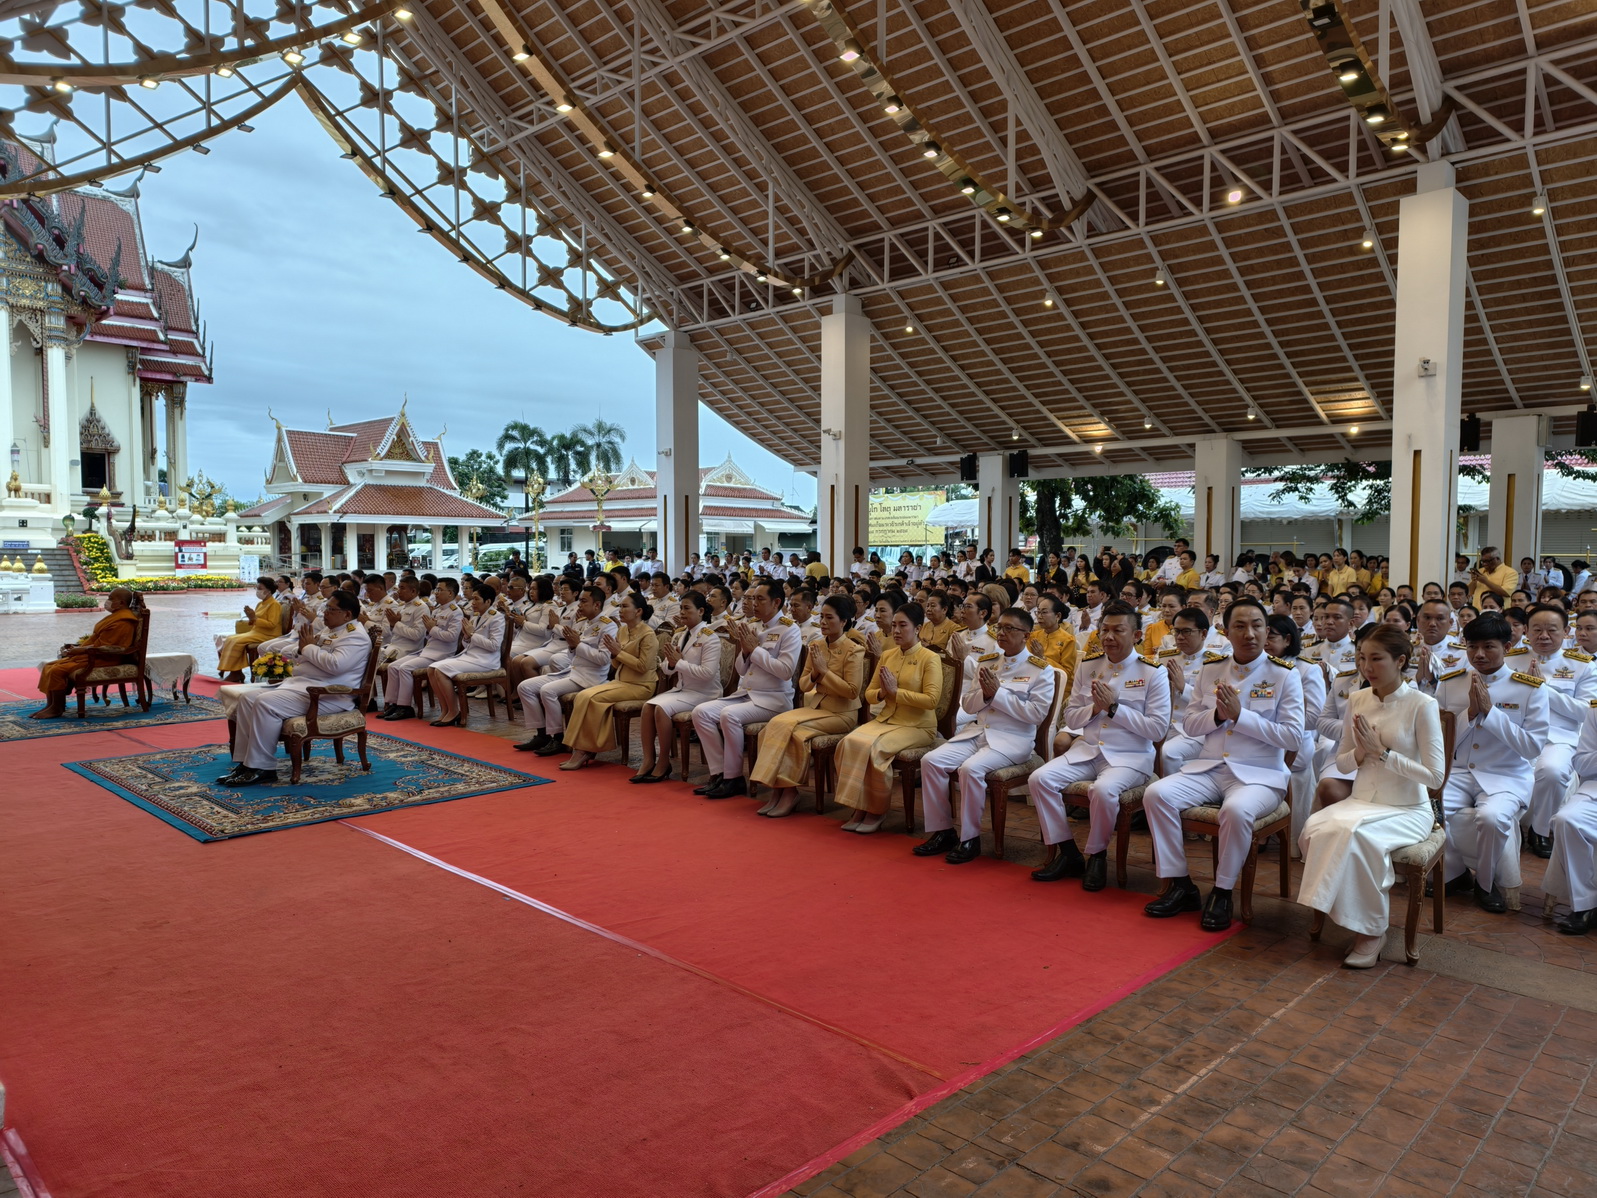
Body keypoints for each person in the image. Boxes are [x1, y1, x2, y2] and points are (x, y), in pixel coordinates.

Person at [1141, 598, 1305, 931]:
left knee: (1236, 811)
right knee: (1156, 795)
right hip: (1211, 767)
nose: (1250, 633)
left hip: (1260, 776)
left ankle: (1222, 890)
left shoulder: (1284, 675)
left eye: (1258, 625)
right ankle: (1181, 884)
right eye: (1240, 626)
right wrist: (1217, 715)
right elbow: (1190, 725)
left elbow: (1292, 738)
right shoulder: (1212, 669)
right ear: (1225, 631)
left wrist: (1240, 717)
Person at [1298, 625, 1446, 966]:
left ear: (1400, 661)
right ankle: (1347, 913)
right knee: (1316, 828)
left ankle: (1371, 932)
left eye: (1376, 659)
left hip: (1408, 807)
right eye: (1362, 658)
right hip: (1362, 801)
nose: (1367, 667)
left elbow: (1435, 777)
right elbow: (1343, 762)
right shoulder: (1357, 699)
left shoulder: (1421, 705)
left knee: (1355, 836)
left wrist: (1384, 754)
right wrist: (1363, 754)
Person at [1029, 602, 1172, 888]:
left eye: (1118, 630)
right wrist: (1095, 709)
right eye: (1104, 629)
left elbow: (1157, 730)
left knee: (1103, 790)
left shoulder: (1153, 672)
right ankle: (1068, 852)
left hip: (1129, 757)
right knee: (1039, 779)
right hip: (1088, 748)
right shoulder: (1090, 666)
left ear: (1136, 635)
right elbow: (1071, 716)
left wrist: (1115, 708)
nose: (1108, 636)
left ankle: (1096, 855)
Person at [913, 608, 1056, 864]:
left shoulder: (1040, 669)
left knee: (970, 769)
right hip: (978, 732)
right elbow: (968, 705)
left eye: (1010, 629)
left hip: (1012, 740)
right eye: (999, 627)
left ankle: (970, 838)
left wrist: (997, 695)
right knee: (931, 761)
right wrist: (987, 695)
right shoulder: (988, 661)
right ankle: (943, 831)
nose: (1001, 633)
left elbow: (1035, 715)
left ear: (1027, 635)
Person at [1435, 613, 1549, 912]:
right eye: (1472, 647)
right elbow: (1440, 739)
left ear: (1508, 647)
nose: (1479, 654)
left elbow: (1532, 747)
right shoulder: (1450, 683)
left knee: (1492, 819)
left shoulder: (1530, 688)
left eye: (1489, 646)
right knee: (1431, 807)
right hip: (1458, 771)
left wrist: (1491, 714)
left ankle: (1486, 884)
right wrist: (1470, 714)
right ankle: (1453, 873)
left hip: (1506, 775)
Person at [221, 591, 373, 786]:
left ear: (347, 614)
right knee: (247, 699)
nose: (325, 613)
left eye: (331, 609)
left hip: (329, 695)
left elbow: (336, 665)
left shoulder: (355, 636)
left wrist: (309, 649)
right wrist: (303, 649)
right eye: (325, 608)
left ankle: (263, 767)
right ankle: (246, 763)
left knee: (265, 703)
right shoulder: (331, 630)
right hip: (303, 687)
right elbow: (299, 652)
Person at [750, 595, 868, 818]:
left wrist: (825, 672)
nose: (823, 622)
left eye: (829, 618)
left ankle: (789, 793)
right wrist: (815, 672)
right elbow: (803, 686)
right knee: (772, 725)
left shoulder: (854, 650)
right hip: (816, 708)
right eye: (821, 617)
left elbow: (852, 691)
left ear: (843, 621)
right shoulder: (816, 646)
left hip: (841, 713)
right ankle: (779, 789)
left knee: (794, 733)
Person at [833, 602, 944, 834]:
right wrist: (884, 692)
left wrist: (896, 693)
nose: (896, 630)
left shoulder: (929, 658)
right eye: (894, 625)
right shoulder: (887, 655)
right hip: (887, 719)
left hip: (918, 725)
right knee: (849, 742)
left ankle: (876, 810)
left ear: (918, 628)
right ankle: (858, 806)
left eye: (903, 625)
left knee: (875, 748)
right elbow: (870, 695)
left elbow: (931, 700)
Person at [691, 581, 803, 799]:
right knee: (700, 712)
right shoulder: (753, 625)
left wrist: (755, 650)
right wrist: (744, 651)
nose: (754, 603)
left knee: (729, 715)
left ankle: (733, 779)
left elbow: (786, 671)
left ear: (777, 602)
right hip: (747, 694)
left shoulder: (789, 629)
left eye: (760, 599)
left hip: (773, 699)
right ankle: (719, 773)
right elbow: (742, 669)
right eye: (752, 599)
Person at [1522, 605, 1595, 857]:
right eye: (1537, 630)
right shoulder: (1511, 659)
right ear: (1526, 631)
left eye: (1551, 630)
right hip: (1516, 733)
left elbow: (1586, 712)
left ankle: (1539, 829)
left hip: (1559, 737)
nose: (1543, 636)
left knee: (1552, 771)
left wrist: (1544, 689)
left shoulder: (1583, 666)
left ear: (1566, 632)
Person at [557, 592, 660, 771]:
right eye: (619, 606)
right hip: (622, 681)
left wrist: (619, 652)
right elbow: (614, 663)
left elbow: (643, 666)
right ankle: (579, 748)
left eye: (625, 606)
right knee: (583, 696)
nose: (620, 610)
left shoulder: (648, 634)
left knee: (594, 698)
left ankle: (586, 749)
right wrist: (615, 654)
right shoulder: (622, 630)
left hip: (640, 685)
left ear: (639, 611)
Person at [634, 591, 722, 784]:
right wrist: (673, 664)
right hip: (683, 690)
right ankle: (649, 759)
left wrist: (679, 663)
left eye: (687, 608)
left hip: (704, 693)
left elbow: (707, 673)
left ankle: (664, 761)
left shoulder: (710, 637)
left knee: (661, 708)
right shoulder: (680, 634)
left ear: (700, 611)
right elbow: (666, 669)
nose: (682, 612)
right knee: (648, 707)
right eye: (681, 608)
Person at [517, 586, 612, 753]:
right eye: (580, 601)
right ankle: (542, 734)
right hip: (573, 671)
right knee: (524, 687)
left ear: (597, 605)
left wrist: (577, 644)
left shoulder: (608, 626)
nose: (580, 605)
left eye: (584, 601)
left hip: (590, 677)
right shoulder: (583, 622)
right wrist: (574, 645)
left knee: (547, 691)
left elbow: (604, 659)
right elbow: (573, 651)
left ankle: (558, 738)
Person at [31, 588, 141, 719]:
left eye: (111, 599)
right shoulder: (117, 616)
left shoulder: (124, 621)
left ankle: (57, 708)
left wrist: (81, 650)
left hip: (106, 658)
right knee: (49, 666)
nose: (107, 602)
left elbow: (110, 647)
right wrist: (77, 648)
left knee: (57, 670)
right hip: (94, 654)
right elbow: (98, 640)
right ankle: (51, 705)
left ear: (121, 603)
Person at [379, 578, 464, 721]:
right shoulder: (437, 610)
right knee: (393, 667)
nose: (435, 593)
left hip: (441, 654)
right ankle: (393, 704)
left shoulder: (456, 612)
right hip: (428, 650)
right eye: (435, 590)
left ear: (450, 593)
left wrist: (432, 628)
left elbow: (451, 637)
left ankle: (405, 707)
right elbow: (426, 634)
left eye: (439, 590)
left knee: (405, 668)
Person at [422, 587, 506, 727]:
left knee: (440, 670)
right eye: (472, 599)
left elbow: (494, 646)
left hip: (485, 660)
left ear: (488, 601)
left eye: (477, 599)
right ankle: (445, 709)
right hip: (470, 656)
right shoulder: (475, 615)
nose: (472, 602)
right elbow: (467, 644)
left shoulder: (496, 617)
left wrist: (472, 635)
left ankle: (454, 711)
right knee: (431, 669)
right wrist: (467, 637)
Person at [217, 579, 282, 682]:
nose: (257, 590)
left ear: (269, 590)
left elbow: (272, 625)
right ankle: (236, 672)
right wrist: (251, 617)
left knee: (236, 641)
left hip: (269, 634)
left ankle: (235, 673)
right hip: (256, 632)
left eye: (260, 588)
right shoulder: (260, 604)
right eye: (257, 588)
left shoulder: (274, 604)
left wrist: (254, 618)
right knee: (230, 638)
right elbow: (255, 622)